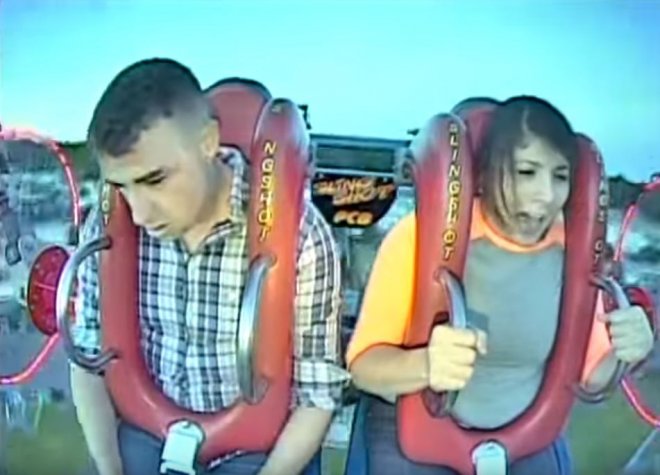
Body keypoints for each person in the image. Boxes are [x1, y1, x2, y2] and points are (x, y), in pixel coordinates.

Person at [345, 96, 655, 474]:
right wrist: (425, 364)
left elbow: (591, 377)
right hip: (416, 431)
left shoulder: (575, 254)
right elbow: (363, 367)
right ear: (488, 172)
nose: (545, 195)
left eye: (560, 176)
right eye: (526, 172)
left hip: (525, 437)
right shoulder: (419, 237)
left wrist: (628, 349)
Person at [70, 59, 349, 475]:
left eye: (155, 180)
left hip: (255, 451)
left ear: (208, 143)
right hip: (144, 433)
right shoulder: (111, 226)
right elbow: (89, 355)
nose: (140, 213)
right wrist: (109, 467)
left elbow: (317, 393)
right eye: (122, 187)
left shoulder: (301, 235)